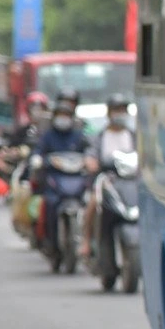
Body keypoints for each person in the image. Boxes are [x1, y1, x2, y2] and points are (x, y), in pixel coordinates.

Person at [30, 99, 93, 256]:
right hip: (55, 178)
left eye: (66, 115)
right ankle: (49, 240)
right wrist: (38, 159)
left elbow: (89, 152)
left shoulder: (79, 136)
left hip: (76, 178)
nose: (63, 118)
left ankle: (89, 242)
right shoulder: (48, 136)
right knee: (49, 206)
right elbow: (39, 151)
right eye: (60, 115)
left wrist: (90, 160)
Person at [81, 95, 136, 261]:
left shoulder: (133, 135)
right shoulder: (99, 137)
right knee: (92, 205)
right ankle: (85, 242)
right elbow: (90, 156)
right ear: (109, 113)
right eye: (116, 110)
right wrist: (91, 162)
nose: (120, 114)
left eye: (123, 110)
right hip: (106, 180)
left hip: (130, 181)